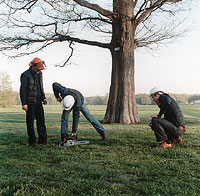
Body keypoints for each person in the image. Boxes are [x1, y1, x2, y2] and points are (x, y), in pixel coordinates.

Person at [20, 57, 47, 147]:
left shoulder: (40, 74)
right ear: (34, 66)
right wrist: (24, 103)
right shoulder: (25, 75)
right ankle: (32, 141)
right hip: (30, 103)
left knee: (41, 121)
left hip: (39, 102)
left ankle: (42, 140)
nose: (39, 70)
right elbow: (22, 90)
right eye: (38, 69)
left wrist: (44, 97)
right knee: (30, 123)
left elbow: (40, 87)